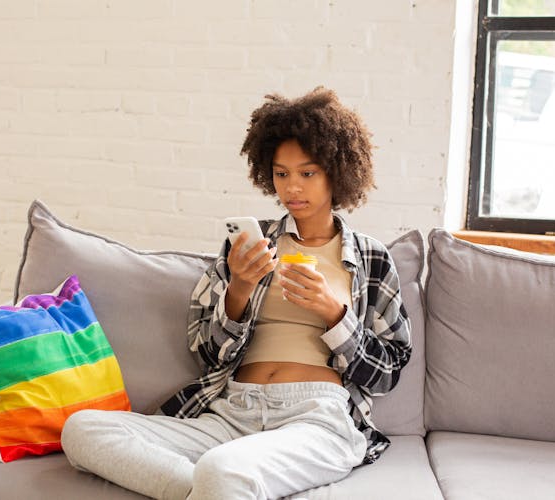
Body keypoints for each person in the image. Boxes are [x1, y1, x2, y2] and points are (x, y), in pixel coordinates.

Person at [61, 86, 412, 500]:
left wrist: (335, 314)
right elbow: (207, 354)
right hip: (232, 411)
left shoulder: (371, 257)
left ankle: (218, 484)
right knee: (81, 429)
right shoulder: (247, 245)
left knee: (221, 469)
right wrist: (240, 289)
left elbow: (389, 371)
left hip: (316, 417)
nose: (292, 188)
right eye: (281, 173)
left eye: (307, 172)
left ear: (337, 171)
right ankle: (207, 491)